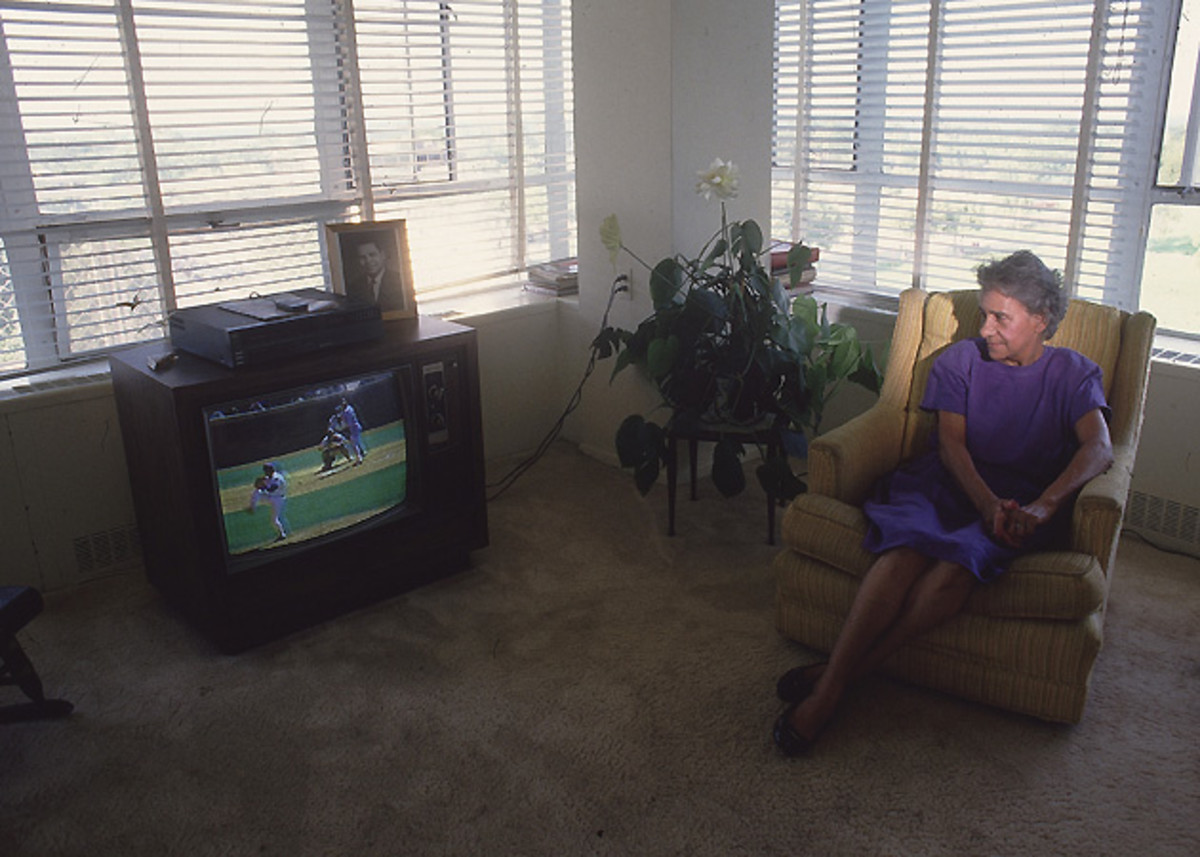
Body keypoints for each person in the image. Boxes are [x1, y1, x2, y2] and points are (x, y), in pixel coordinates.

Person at [772, 250, 1115, 757]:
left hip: (1019, 502)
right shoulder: (961, 361)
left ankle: (839, 675)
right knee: (903, 554)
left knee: (955, 570)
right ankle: (828, 694)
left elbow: (1100, 448)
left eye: (1001, 317)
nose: (986, 328)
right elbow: (951, 446)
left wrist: (1044, 506)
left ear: (1041, 320)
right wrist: (985, 502)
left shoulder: (1073, 373)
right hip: (949, 482)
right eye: (984, 313)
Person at [344, 235, 408, 315]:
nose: (368, 261)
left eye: (372, 255)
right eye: (362, 257)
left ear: (383, 255)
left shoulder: (400, 281)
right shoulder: (354, 288)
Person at [248, 462, 289, 542]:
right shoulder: (267, 478)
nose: (265, 472)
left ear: (271, 470)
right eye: (265, 471)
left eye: (267, 470)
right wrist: (259, 483)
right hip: (271, 497)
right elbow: (257, 485)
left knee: (274, 519)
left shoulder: (277, 478)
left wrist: (263, 486)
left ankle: (282, 534)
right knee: (257, 492)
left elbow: (271, 489)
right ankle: (252, 508)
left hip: (278, 499)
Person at [329, 398, 365, 464]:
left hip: (354, 427)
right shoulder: (348, 409)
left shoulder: (347, 411)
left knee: (354, 443)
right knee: (354, 443)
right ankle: (360, 454)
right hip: (353, 427)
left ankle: (359, 458)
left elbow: (348, 423)